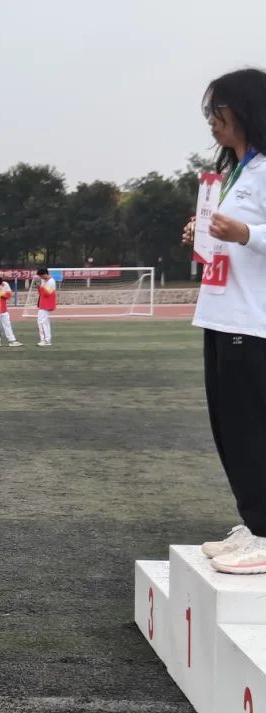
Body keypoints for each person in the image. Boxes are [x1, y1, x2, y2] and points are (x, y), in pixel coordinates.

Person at [182, 69, 266, 573]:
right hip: (220, 312)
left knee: (252, 427)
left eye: (220, 110)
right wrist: (203, 232)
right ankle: (254, 522)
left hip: (252, 320)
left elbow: (252, 234)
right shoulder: (236, 171)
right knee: (229, 427)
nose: (212, 120)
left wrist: (245, 234)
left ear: (247, 111)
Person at [0, 274, 22, 347]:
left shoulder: (5, 285)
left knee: (7, 325)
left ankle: (11, 341)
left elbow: (9, 295)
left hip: (4, 310)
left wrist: (0, 293)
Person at [35, 268, 57, 346]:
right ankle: (47, 339)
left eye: (41, 276)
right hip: (43, 304)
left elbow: (46, 293)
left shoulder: (51, 281)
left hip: (46, 304)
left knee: (41, 322)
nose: (41, 278)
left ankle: (44, 340)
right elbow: (41, 293)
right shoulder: (45, 281)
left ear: (45, 274)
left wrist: (40, 287)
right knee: (44, 322)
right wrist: (39, 287)